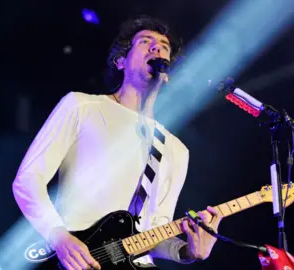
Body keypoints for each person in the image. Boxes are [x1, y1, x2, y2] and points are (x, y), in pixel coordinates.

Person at [12, 15, 223, 270]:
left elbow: (153, 231)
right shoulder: (82, 106)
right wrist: (59, 236)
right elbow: (28, 181)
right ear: (120, 61)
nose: (156, 48)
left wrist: (187, 251)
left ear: (168, 74)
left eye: (164, 47)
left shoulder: (176, 150)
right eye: (145, 42)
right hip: (75, 261)